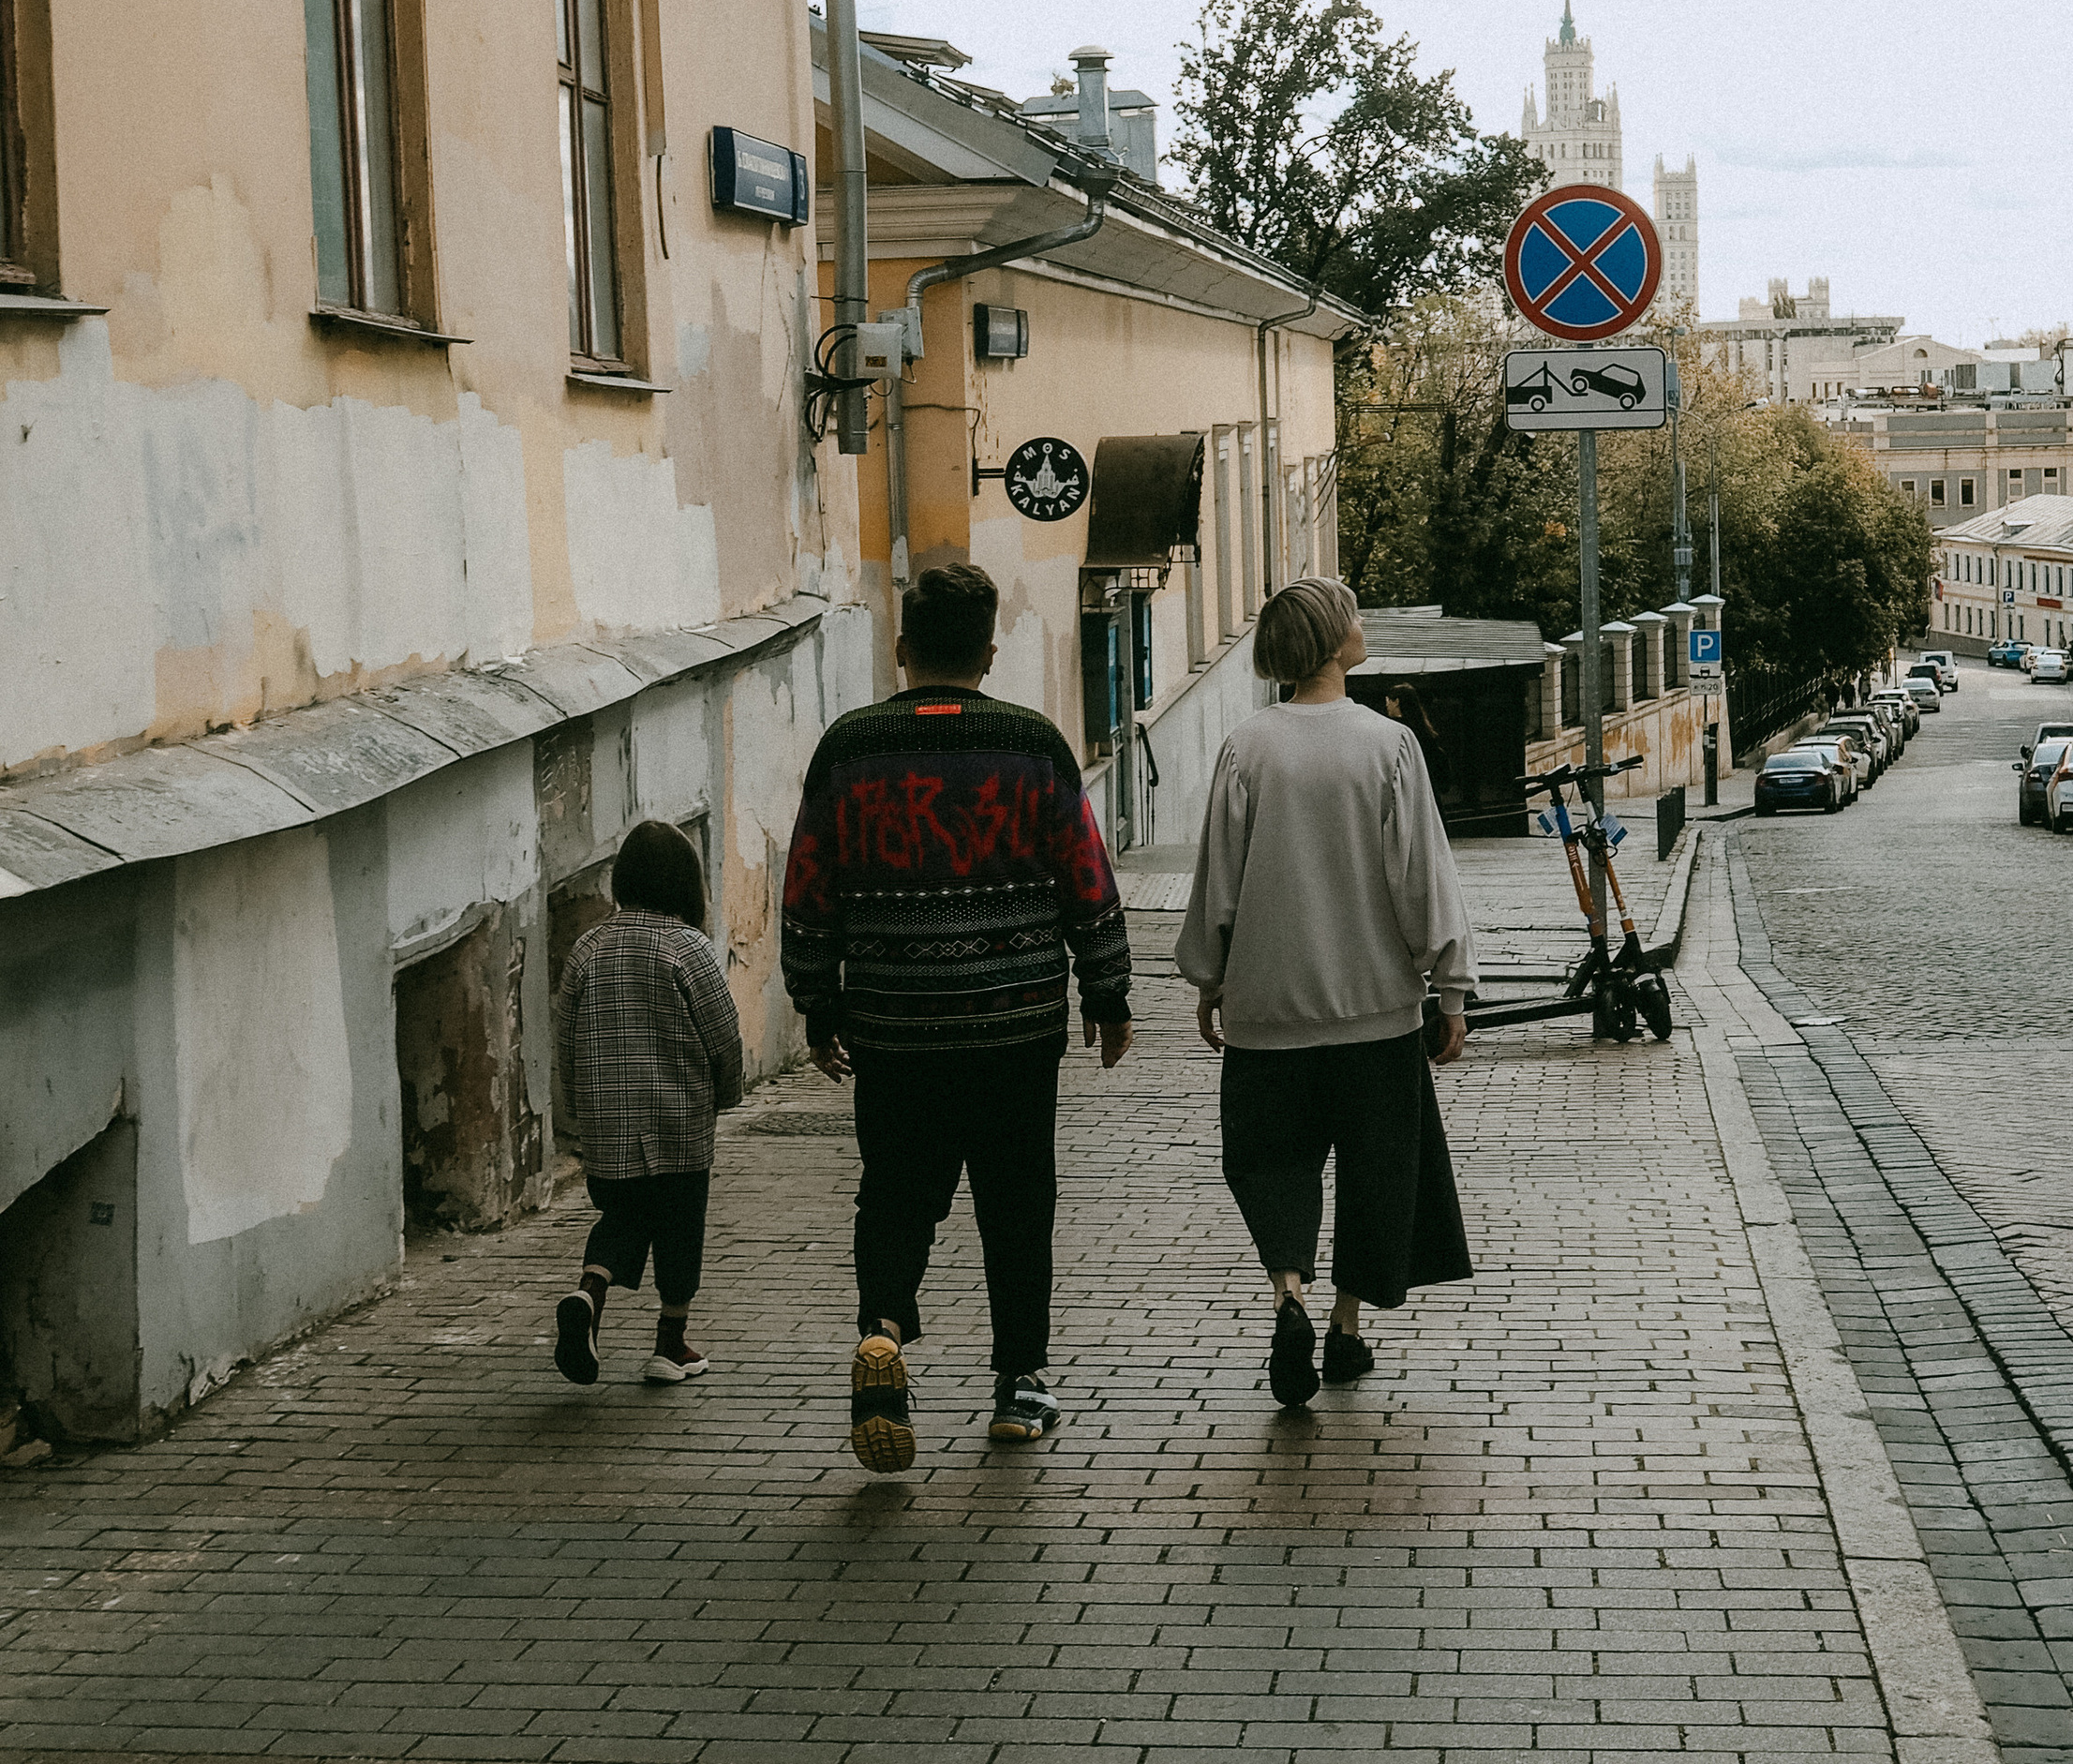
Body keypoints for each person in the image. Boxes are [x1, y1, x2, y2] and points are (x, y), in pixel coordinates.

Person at [783, 561, 1134, 1472]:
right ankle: (1019, 1384)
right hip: (1015, 1028)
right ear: (988, 649)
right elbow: (1086, 879)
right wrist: (1108, 992)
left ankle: (885, 1335)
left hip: (893, 1028)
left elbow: (809, 889)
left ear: (900, 648)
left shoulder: (848, 749)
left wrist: (816, 1001)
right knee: (1018, 1200)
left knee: (895, 1193)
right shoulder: (1033, 745)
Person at [1176, 576, 1476, 1410]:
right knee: (1380, 1172)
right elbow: (1424, 880)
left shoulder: (1247, 747)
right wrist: (1450, 989)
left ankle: (1289, 1297)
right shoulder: (1387, 747)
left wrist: (1209, 977)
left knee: (1272, 1164)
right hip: (1376, 1014)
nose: (1362, 623)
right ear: (1332, 639)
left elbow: (1219, 883)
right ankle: (1345, 1330)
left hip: (1268, 1013)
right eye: (1352, 615)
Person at [552, 818, 743, 1388]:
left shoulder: (588, 947)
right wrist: (726, 1092)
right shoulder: (688, 949)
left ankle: (589, 1295)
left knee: (625, 1215)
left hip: (608, 1126)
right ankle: (670, 1344)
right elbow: (723, 1034)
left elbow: (565, 1041)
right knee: (681, 1225)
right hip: (678, 1121)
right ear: (686, 884)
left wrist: (576, 1115)